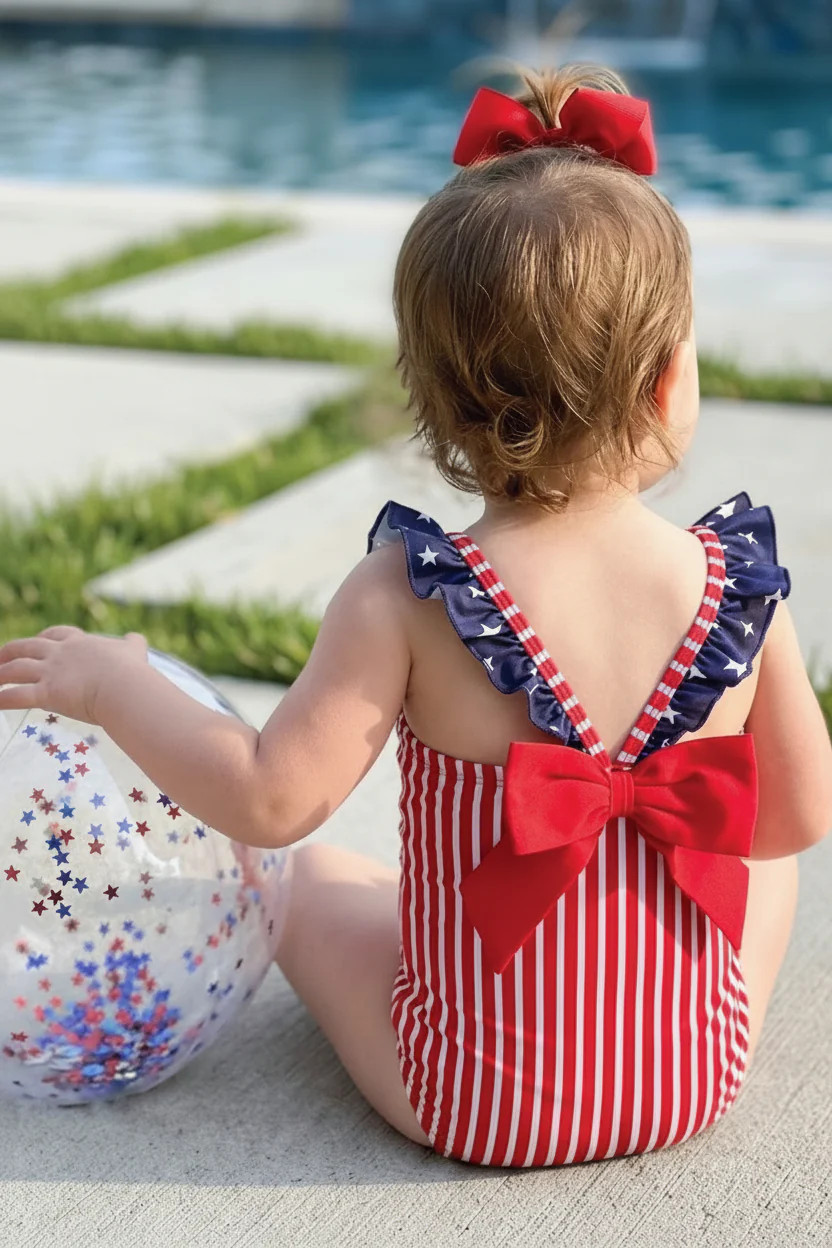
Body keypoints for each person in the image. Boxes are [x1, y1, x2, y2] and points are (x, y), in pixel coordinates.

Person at [1, 65, 830, 1168]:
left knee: (294, 886)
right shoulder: (737, 591)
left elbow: (268, 800)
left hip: (473, 1104)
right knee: (762, 856)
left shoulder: (407, 595)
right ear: (668, 384)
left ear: (427, 400)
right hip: (690, 1076)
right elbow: (792, 823)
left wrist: (112, 685)